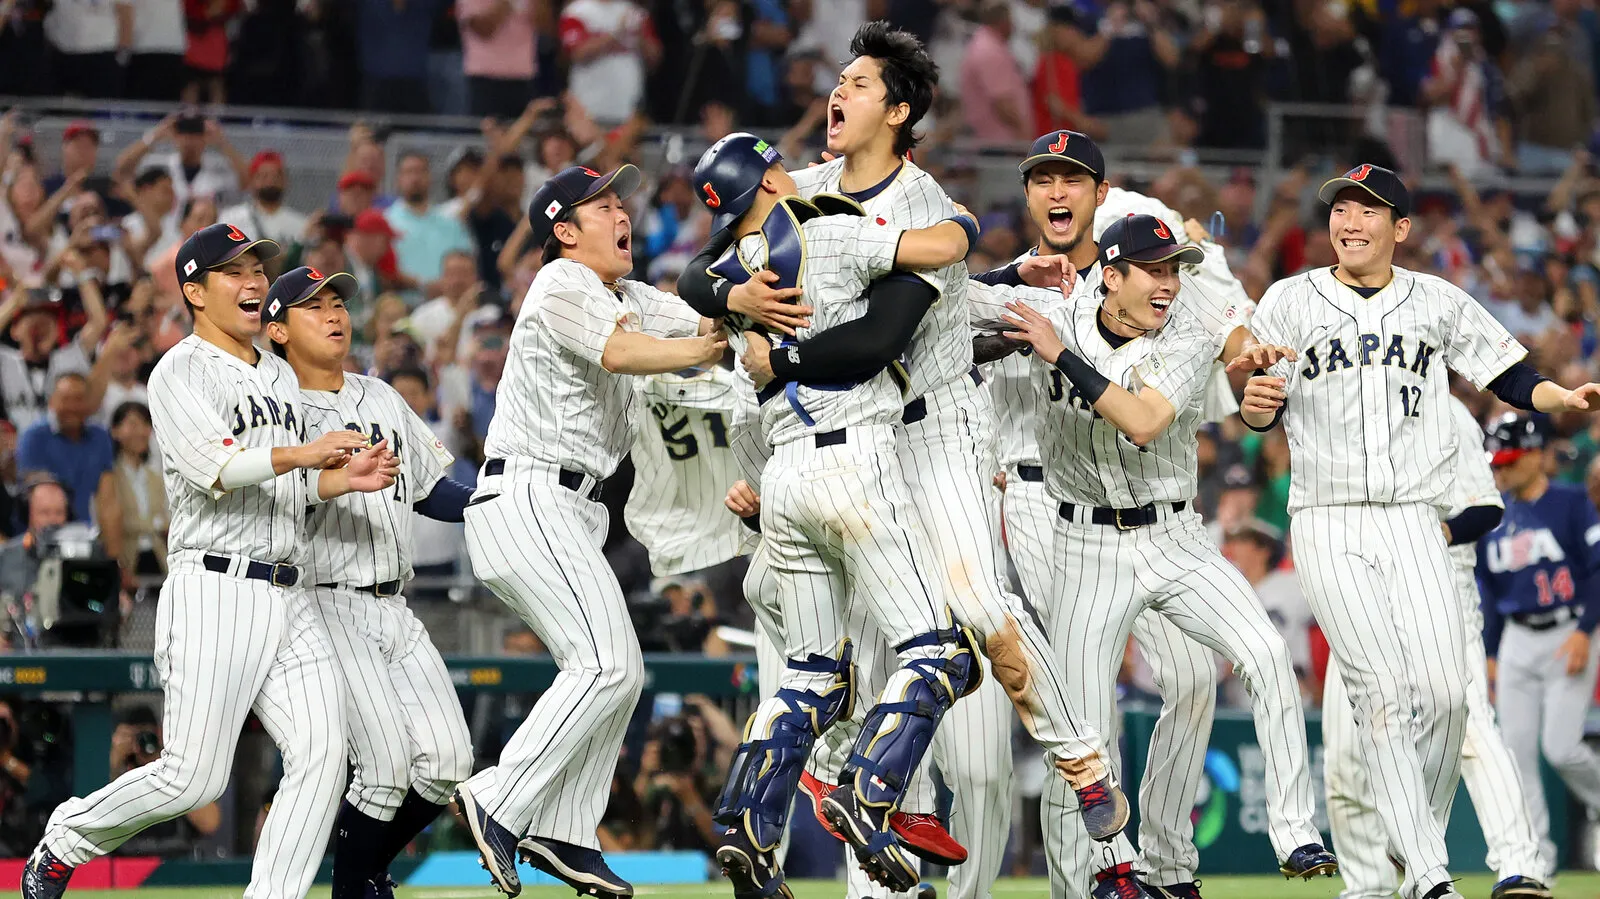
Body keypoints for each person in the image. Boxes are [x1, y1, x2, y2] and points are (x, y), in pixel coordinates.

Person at [677, 25, 1123, 899]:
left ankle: (1082, 763)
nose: (834, 93)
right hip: (854, 433)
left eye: (856, 82)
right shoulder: (797, 188)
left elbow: (896, 317)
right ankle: (867, 801)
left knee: (979, 612)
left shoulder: (925, 204)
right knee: (865, 643)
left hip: (938, 423)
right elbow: (699, 271)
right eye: (836, 78)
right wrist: (730, 291)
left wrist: (981, 271)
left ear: (900, 107)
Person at [1237, 163, 1600, 899]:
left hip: (1413, 519)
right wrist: (1255, 399)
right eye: (1341, 208)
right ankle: (1432, 877)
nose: (1351, 220)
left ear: (1400, 228)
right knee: (1377, 693)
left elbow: (1507, 371)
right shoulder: (1289, 299)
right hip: (1329, 515)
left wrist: (1560, 393)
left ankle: (1414, 848)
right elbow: (1257, 407)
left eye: (1369, 210)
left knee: (1446, 697)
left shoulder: (1433, 300)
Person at [19, 222, 398, 899]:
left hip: (290, 588)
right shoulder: (178, 370)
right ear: (194, 290)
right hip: (215, 586)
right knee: (193, 776)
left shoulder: (280, 373)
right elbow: (217, 467)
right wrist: (306, 454)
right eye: (233, 271)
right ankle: (68, 835)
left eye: (257, 267)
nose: (254, 280)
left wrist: (343, 475)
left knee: (322, 752)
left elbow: (294, 481)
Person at [687, 131, 995, 897]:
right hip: (853, 455)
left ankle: (745, 824)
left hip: (782, 474)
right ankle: (868, 789)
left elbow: (696, 281)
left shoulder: (726, 271)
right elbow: (941, 248)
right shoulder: (822, 223)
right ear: (766, 180)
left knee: (815, 674)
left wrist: (730, 301)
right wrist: (966, 223)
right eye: (776, 166)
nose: (791, 172)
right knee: (942, 654)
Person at [1001, 213, 1335, 899]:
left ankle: (1295, 830)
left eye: (1175, 269)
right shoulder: (1053, 311)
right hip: (1084, 544)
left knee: (1266, 653)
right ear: (1111, 275)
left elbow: (1145, 420)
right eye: (1153, 269)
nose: (1168, 283)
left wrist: (1058, 355)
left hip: (1175, 536)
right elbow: (951, 325)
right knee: (1083, 737)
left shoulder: (1185, 334)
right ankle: (1105, 877)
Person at [978, 128, 1247, 899]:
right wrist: (999, 277)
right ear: (1028, 195)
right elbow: (938, 318)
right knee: (1081, 703)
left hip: (1144, 510)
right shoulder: (1018, 285)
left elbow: (1227, 316)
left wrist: (1245, 348)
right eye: (1042, 179)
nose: (1057, 192)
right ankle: (1094, 876)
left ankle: (1164, 861)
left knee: (1195, 671)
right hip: (1039, 499)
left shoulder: (1142, 280)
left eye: (1073, 179)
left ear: (1103, 194)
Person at [450, 164, 725, 899]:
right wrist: (702, 350)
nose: (619, 211)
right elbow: (623, 353)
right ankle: (498, 798)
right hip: (530, 492)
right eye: (602, 204)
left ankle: (567, 828)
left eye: (620, 201)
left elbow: (702, 322)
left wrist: (740, 302)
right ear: (565, 231)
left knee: (621, 671)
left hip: (570, 508)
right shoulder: (561, 281)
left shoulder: (625, 294)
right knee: (605, 664)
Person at [262, 265, 475, 899]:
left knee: (448, 765)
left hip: (395, 605)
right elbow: (264, 505)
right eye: (312, 307)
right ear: (276, 330)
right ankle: (357, 887)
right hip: (324, 601)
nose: (334, 314)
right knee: (382, 770)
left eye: (337, 303)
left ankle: (359, 875)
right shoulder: (275, 409)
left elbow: (432, 490)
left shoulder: (380, 396)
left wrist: (501, 499)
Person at [1327, 399, 1550, 899]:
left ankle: (1520, 864)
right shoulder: (1337, 399)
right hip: (1357, 584)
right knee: (1344, 752)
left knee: (1468, 727)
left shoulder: (1443, 409)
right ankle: (1370, 886)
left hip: (1438, 578)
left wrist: (1424, 538)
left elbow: (1484, 505)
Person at [1478, 412, 1600, 889]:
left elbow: (1596, 570)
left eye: (1508, 461)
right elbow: (1486, 589)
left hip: (1568, 629)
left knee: (1563, 747)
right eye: (1497, 463)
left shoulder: (1570, 503)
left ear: (1534, 455)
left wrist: (1586, 630)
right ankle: (1534, 859)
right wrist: (1489, 650)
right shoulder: (1492, 512)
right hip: (1515, 638)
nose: (1500, 472)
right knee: (1516, 755)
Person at [623, 363, 759, 625]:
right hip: (713, 519)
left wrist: (711, 623)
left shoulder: (641, 384)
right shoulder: (744, 387)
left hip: (723, 520)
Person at [106, 705, 221, 856]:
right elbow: (100, 824)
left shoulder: (175, 770)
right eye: (136, 736)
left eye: (148, 734)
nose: (143, 741)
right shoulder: (118, 774)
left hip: (175, 864)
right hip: (126, 867)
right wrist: (115, 765)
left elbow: (210, 823)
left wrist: (164, 764)